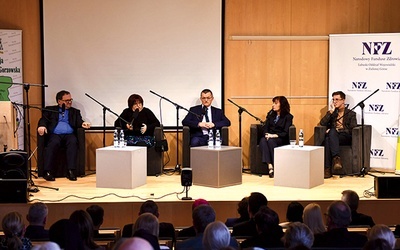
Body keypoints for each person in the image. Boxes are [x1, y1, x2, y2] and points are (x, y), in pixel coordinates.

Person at [37, 90, 91, 181]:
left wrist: (83, 123)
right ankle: (48, 171)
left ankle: (71, 171)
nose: (70, 102)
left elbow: (79, 121)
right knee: (52, 144)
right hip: (55, 134)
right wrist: (41, 126)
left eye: (70, 100)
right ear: (59, 101)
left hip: (69, 135)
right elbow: (43, 120)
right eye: (67, 100)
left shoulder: (75, 112)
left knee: (73, 142)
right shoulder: (50, 110)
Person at [319, 91, 357, 178]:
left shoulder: (351, 114)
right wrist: (331, 112)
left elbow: (352, 129)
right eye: (333, 100)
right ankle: (336, 159)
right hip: (334, 137)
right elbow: (322, 123)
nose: (334, 102)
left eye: (337, 99)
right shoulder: (333, 113)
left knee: (331, 133)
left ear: (343, 100)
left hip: (345, 136)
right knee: (328, 139)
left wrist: (337, 130)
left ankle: (327, 169)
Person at [259, 96, 293, 178]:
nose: (273, 105)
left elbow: (285, 133)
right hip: (270, 137)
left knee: (271, 141)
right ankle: (270, 166)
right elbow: (265, 128)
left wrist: (273, 135)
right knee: (263, 140)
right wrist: (267, 134)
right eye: (273, 103)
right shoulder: (271, 115)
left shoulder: (288, 117)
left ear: (282, 105)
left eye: (276, 103)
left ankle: (276, 165)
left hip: (280, 138)